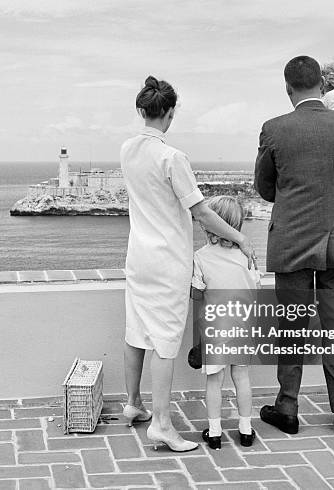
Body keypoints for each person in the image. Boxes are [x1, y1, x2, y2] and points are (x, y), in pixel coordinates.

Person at [121, 76, 256, 452]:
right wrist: (241, 238)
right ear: (170, 112)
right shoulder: (172, 157)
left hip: (138, 257)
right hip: (167, 262)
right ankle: (162, 424)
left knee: (137, 331)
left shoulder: (126, 149)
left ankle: (133, 403)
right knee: (164, 340)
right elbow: (203, 215)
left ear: (141, 110)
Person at [254, 56, 334, 435]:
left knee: (292, 326)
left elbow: (264, 187)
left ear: (288, 88)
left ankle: (287, 408)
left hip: (291, 242)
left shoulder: (274, 129)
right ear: (321, 86)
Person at [191, 196, 259, 450]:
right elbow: (255, 289)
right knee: (241, 376)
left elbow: (197, 295)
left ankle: (216, 431)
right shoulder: (246, 257)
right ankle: (245, 429)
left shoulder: (201, 257)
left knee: (214, 381)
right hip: (243, 324)